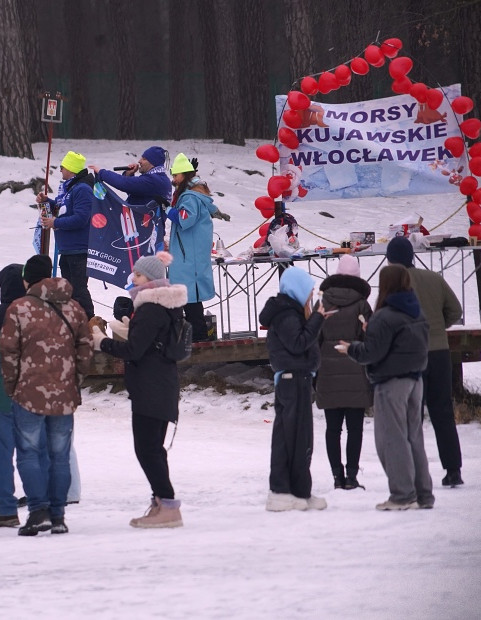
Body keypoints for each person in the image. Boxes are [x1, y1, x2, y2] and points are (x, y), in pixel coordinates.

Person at [92, 252, 186, 529]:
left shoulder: (149, 309)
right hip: (162, 384)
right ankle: (162, 502)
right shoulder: (166, 306)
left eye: (139, 274)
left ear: (152, 279)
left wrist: (101, 341)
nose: (133, 278)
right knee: (153, 448)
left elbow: (134, 351)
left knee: (147, 450)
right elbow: (152, 343)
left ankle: (168, 506)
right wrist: (132, 330)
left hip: (150, 387)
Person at [0, 254, 93, 535]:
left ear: (27, 280)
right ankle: (58, 515)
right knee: (58, 454)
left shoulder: (19, 309)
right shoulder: (73, 307)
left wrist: (12, 386)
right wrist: (74, 381)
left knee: (25, 453)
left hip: (26, 393)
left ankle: (34, 510)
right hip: (63, 393)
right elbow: (85, 349)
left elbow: (8, 352)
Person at [336, 264, 435, 511]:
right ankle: (423, 495)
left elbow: (371, 352)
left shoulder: (385, 316)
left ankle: (402, 495)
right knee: (414, 438)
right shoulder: (416, 312)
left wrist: (351, 348)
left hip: (391, 384)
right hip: (416, 381)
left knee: (392, 439)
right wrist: (373, 332)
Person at [386, 236, 464, 487]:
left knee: (411, 415)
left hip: (410, 356)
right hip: (439, 352)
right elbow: (456, 310)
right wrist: (438, 328)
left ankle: (412, 472)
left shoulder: (393, 286)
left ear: (391, 260)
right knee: (442, 412)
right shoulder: (434, 278)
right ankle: (453, 469)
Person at [259, 266, 328, 512]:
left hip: (298, 379)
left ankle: (299, 491)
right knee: (291, 438)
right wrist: (317, 319)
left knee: (300, 438)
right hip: (292, 380)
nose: (311, 296)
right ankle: (280, 491)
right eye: (308, 291)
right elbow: (298, 343)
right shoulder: (286, 314)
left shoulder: (291, 312)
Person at [315, 254, 373, 490]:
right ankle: (352, 476)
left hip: (328, 372)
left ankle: (337, 477)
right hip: (355, 371)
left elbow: (314, 338)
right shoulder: (362, 304)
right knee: (355, 429)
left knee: (333, 429)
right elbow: (370, 339)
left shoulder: (323, 302)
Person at [161, 153, 218, 341]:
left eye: (176, 175)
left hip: (189, 258)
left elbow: (185, 219)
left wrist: (167, 209)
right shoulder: (191, 194)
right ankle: (194, 335)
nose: (173, 179)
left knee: (189, 299)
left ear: (184, 175)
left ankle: (199, 336)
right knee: (187, 299)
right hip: (189, 255)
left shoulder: (190, 198)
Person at [37, 151, 95, 319]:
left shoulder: (82, 189)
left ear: (71, 169)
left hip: (79, 250)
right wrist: (47, 202)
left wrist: (55, 223)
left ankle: (90, 322)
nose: (61, 169)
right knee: (69, 290)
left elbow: (81, 218)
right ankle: (74, 321)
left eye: (63, 166)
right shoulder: (69, 188)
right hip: (67, 249)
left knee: (78, 290)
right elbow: (63, 209)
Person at [90, 146, 171, 251]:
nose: (139, 161)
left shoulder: (155, 181)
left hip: (147, 238)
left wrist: (102, 173)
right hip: (143, 235)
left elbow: (124, 184)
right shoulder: (157, 179)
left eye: (144, 159)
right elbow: (135, 191)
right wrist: (129, 174)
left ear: (153, 163)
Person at [0, 264, 26, 527]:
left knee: (3, 451)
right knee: (36, 450)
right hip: (37, 392)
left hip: (3, 393)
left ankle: (5, 508)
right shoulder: (36, 314)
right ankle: (46, 505)